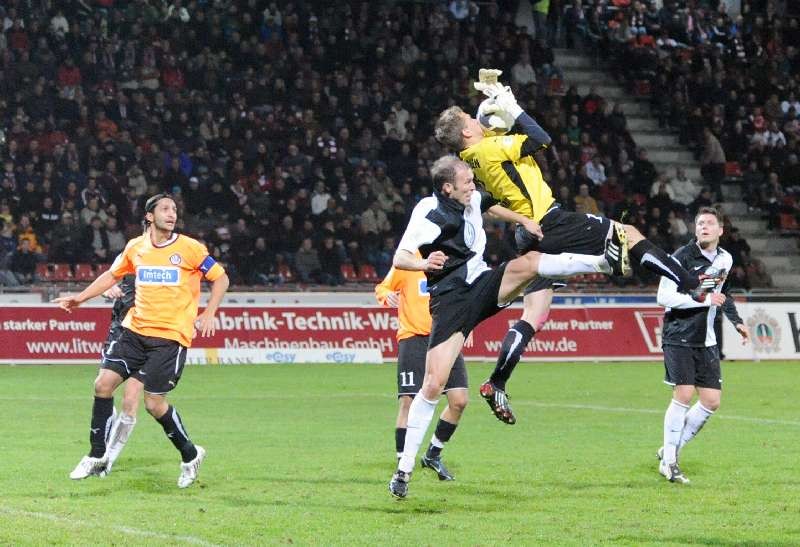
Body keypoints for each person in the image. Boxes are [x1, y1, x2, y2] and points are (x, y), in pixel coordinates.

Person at [435, 82, 715, 426]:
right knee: (629, 234)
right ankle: (689, 283)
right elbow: (541, 139)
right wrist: (513, 105)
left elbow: (489, 202)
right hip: (552, 223)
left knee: (534, 315)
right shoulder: (490, 151)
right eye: (470, 119)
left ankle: (497, 382)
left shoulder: (469, 163)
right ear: (466, 130)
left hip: (530, 235)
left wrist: (498, 108)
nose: (476, 120)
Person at [388, 155, 617, 499]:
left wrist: (525, 218)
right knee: (433, 384)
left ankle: (603, 260)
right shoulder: (429, 213)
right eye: (466, 180)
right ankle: (403, 471)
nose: (472, 184)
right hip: (449, 301)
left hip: (479, 285)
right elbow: (399, 257)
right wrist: (423, 262)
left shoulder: (471, 198)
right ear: (447, 188)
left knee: (527, 265)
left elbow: (491, 206)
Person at [55, 194, 230, 488]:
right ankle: (97, 455)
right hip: (135, 331)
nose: (171, 213)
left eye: (174, 209)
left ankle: (190, 454)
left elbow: (220, 278)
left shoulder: (189, 248)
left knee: (153, 404)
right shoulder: (136, 247)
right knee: (102, 384)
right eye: (165, 209)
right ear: (149, 216)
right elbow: (112, 276)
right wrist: (80, 298)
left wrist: (209, 312)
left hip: (169, 337)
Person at [655, 207, 749, 484]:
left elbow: (723, 294)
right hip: (679, 335)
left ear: (721, 230)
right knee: (683, 395)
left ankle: (669, 450)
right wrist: (705, 301)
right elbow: (664, 296)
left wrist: (736, 321)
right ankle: (669, 462)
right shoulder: (680, 258)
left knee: (711, 401)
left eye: (709, 223)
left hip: (705, 339)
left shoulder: (725, 259)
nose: (704, 227)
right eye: (699, 223)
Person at [375, 253, 467, 481]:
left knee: (459, 401)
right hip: (414, 337)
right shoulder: (409, 260)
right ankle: (402, 462)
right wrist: (387, 296)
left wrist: (468, 324)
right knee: (408, 401)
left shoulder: (452, 258)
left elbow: (465, 296)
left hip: (447, 336)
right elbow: (383, 288)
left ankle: (433, 454)